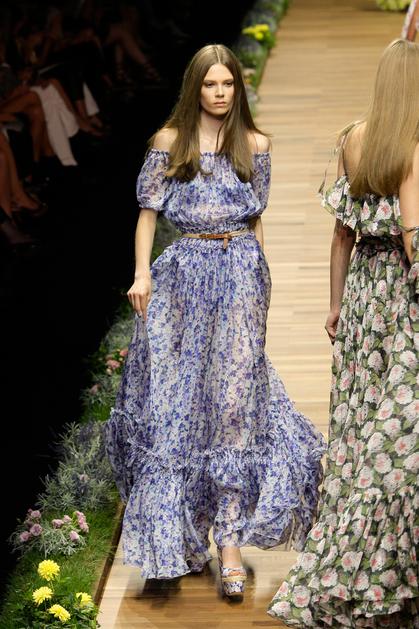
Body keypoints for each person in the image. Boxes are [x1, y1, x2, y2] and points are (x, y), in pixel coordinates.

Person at [105, 43, 326, 599]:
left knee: (233, 404)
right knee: (179, 404)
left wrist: (260, 282)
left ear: (238, 89)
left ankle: (229, 543)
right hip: (184, 277)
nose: (220, 92)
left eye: (228, 83)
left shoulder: (256, 145)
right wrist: (141, 274)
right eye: (210, 84)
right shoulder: (168, 142)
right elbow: (147, 215)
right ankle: (175, 537)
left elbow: (256, 220)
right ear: (195, 88)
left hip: (241, 273)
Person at [268, 38, 419, 627]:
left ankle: (366, 559)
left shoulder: (354, 139)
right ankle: (373, 567)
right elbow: (412, 239)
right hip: (402, 298)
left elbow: (341, 235)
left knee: (362, 428)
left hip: (363, 297)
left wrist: (336, 306)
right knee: (397, 437)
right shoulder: (411, 147)